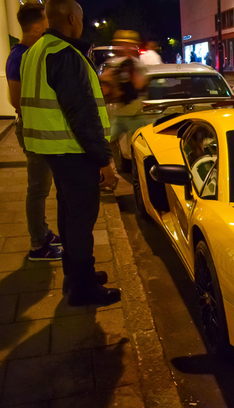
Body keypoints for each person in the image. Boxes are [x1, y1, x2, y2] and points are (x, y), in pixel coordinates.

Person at [20, 0, 120, 307]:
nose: (82, 22)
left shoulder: (35, 51)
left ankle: (75, 276)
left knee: (68, 215)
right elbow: (82, 114)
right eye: (81, 17)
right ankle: (83, 287)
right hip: (72, 151)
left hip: (50, 149)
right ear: (71, 18)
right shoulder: (64, 54)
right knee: (80, 220)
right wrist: (104, 160)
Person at [5, 3, 62, 261]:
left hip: (37, 128)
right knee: (38, 188)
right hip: (31, 129)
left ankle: (43, 231)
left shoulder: (28, 52)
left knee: (42, 186)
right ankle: (38, 245)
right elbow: (15, 100)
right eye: (46, 22)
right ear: (38, 25)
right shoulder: (19, 56)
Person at [99, 30, 148, 172]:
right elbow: (105, 84)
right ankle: (112, 169)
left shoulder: (137, 65)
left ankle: (140, 172)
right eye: (120, 44)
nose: (121, 47)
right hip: (122, 114)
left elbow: (140, 85)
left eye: (125, 44)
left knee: (140, 149)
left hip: (136, 115)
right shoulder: (116, 63)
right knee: (107, 141)